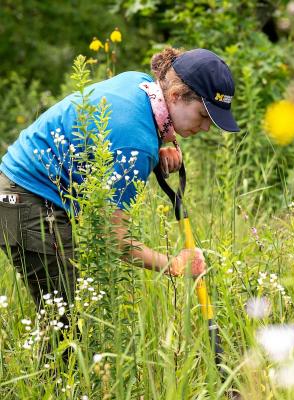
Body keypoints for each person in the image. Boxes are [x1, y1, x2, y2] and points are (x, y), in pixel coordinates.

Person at [0, 47, 240, 313]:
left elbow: (114, 130)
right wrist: (173, 265)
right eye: (204, 116)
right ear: (175, 96)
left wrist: (158, 143)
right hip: (25, 202)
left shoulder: (140, 84)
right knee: (69, 322)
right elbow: (114, 240)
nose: (206, 127)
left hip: (18, 188)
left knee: (70, 316)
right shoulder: (135, 147)